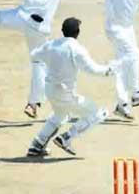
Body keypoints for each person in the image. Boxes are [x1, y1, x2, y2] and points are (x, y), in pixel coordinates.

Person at [26, 17, 112, 157]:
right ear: (78, 32)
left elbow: (34, 55)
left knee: (59, 116)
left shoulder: (51, 44)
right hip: (65, 93)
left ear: (62, 31)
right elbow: (93, 69)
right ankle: (66, 138)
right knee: (98, 113)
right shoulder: (76, 49)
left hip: (50, 90)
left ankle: (36, 145)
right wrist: (109, 70)